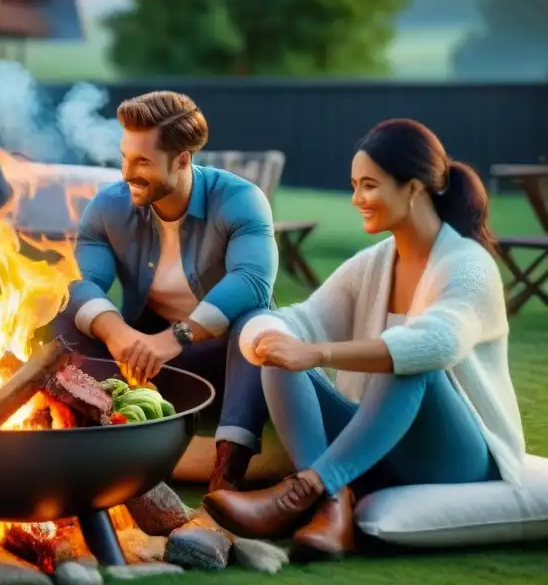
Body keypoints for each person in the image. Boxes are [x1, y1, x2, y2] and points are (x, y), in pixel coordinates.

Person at [204, 119, 526, 560]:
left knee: (411, 362)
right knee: (277, 346)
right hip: (378, 445)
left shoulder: (469, 266)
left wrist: (315, 353)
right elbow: (303, 318)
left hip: (462, 459)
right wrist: (268, 338)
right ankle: (333, 509)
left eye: (369, 186)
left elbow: (436, 343)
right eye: (354, 186)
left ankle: (304, 491)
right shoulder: (374, 263)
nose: (357, 199)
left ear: (413, 188)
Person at [53, 90, 279, 493]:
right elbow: (80, 283)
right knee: (60, 318)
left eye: (142, 161)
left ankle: (224, 481)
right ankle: (78, 444)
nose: (127, 173)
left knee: (256, 325)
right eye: (125, 157)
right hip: (146, 363)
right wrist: (119, 335)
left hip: (227, 361)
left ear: (181, 159)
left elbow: (252, 282)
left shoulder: (240, 199)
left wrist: (175, 338)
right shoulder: (108, 208)